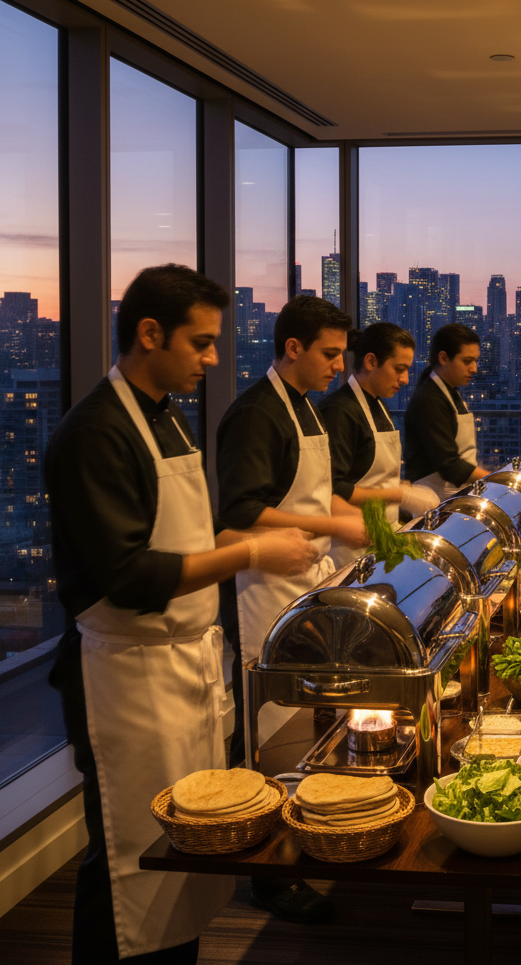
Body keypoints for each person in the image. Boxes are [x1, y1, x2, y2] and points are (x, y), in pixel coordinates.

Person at [45, 265, 318, 965]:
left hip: (185, 665)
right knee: (126, 860)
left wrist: (260, 544)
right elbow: (130, 575)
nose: (214, 358)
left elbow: (196, 538)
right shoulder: (95, 433)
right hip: (124, 679)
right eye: (200, 343)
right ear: (148, 333)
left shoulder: (165, 415)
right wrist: (250, 551)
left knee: (189, 853)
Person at [216, 294, 366, 925]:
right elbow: (243, 513)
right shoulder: (254, 414)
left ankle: (312, 841)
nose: (338, 366)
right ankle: (270, 876)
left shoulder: (304, 408)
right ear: (294, 348)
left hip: (308, 579)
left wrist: (351, 521)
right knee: (272, 737)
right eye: (330, 354)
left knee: (307, 731)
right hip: (264, 590)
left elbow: (314, 491)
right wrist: (330, 522)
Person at [318, 322, 438, 567]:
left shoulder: (379, 405)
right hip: (349, 551)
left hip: (381, 540)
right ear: (371, 362)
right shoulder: (340, 411)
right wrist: (399, 494)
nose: (404, 379)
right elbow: (333, 487)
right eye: (399, 369)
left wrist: (402, 490)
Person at [404, 323, 489, 499]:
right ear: (443, 358)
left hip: (453, 495)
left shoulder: (449, 391)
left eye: (475, 361)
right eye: (467, 361)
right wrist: (494, 479)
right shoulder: (430, 399)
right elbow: (449, 464)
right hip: (432, 501)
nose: (474, 369)